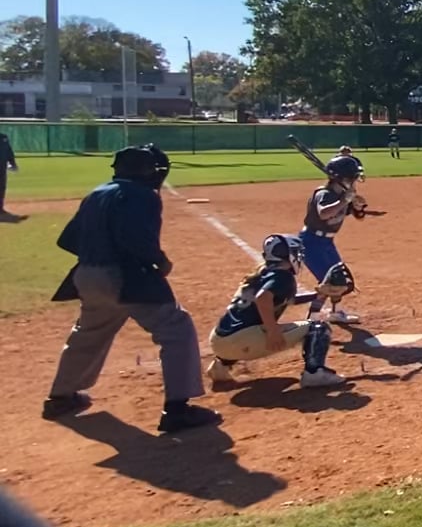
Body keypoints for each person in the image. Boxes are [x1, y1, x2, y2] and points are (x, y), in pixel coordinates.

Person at [41, 145, 219, 432]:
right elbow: (137, 240)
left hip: (86, 275)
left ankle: (60, 398)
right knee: (177, 328)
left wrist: (98, 254)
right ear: (146, 171)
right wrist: (160, 261)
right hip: (123, 276)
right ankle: (177, 410)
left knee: (89, 332)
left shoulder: (97, 193)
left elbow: (68, 240)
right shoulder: (142, 195)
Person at [206, 234, 344, 388]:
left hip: (219, 342)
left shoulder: (262, 273)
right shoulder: (283, 277)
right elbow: (262, 298)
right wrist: (272, 331)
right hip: (242, 342)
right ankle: (314, 373)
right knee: (318, 327)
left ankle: (220, 367)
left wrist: (316, 295)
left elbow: (282, 299)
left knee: (244, 323)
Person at [299, 155, 368, 325]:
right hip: (311, 242)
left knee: (339, 278)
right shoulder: (324, 194)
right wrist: (345, 200)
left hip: (326, 242)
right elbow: (324, 213)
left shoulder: (342, 195)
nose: (354, 181)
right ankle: (313, 318)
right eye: (352, 178)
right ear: (343, 178)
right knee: (329, 282)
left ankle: (336, 313)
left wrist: (357, 206)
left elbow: (358, 216)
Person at [0, 131, 17, 217]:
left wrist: (12, 163)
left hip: (2, 166)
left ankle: (0, 208)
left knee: (2, 187)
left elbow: (9, 151)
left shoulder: (3, 137)